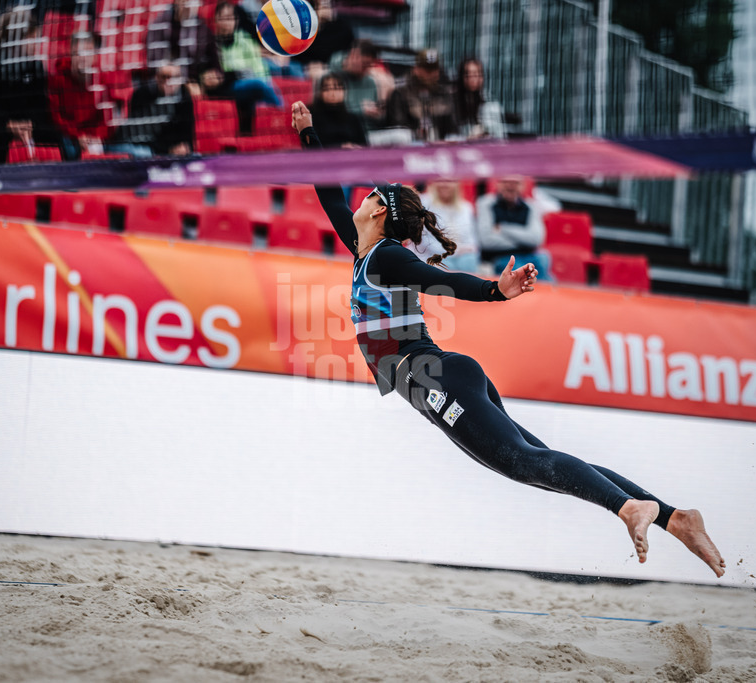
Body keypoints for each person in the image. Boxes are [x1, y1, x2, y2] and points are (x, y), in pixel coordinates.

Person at [289, 100, 726, 578]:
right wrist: (309, 135)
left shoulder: (388, 257)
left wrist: (495, 291)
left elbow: (445, 282)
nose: (357, 201)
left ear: (377, 211)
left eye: (368, 195)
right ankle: (673, 517)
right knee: (535, 463)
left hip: (434, 377)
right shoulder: (366, 251)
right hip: (443, 375)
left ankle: (628, 509)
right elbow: (329, 194)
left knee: (524, 463)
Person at [0, 8, 63, 164]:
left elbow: (42, 108)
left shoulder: (36, 68)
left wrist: (30, 124)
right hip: (0, 138)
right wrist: (8, 125)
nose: (35, 44)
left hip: (32, 132)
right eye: (31, 38)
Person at [203, 1, 283, 134]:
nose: (227, 22)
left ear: (236, 20)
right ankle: (283, 115)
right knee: (260, 86)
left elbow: (259, 67)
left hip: (249, 83)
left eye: (230, 18)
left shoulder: (245, 40)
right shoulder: (212, 44)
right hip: (228, 86)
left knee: (264, 86)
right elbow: (219, 73)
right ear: (216, 20)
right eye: (223, 18)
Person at [106, 62, 195, 159]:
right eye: (165, 77)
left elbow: (187, 131)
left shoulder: (185, 98)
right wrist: (168, 149)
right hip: (137, 145)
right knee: (141, 153)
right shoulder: (142, 94)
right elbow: (142, 133)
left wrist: (184, 146)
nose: (169, 82)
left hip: (165, 149)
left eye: (175, 77)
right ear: (157, 77)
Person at [475, 175, 553, 282]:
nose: (510, 187)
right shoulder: (486, 204)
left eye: (515, 183)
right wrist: (523, 242)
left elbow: (536, 239)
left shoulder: (530, 206)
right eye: (506, 182)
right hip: (500, 257)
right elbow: (486, 241)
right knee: (522, 272)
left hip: (528, 255)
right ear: (498, 184)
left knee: (544, 260)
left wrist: (503, 229)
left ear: (522, 186)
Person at [47, 32, 111, 160]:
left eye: (87, 53)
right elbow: (57, 117)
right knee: (69, 150)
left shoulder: (102, 78)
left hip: (96, 139)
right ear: (71, 54)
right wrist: (78, 136)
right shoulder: (58, 78)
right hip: (69, 137)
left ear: (94, 55)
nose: (83, 58)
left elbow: (106, 117)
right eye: (78, 53)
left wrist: (96, 137)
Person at [146, 0, 220, 96]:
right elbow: (154, 63)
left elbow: (216, 66)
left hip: (195, 84)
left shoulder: (202, 30)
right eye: (185, 1)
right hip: (165, 82)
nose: (189, 6)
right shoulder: (160, 25)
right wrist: (184, 80)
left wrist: (213, 76)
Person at [384, 48, 457, 143]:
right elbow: (399, 129)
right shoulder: (400, 93)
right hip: (411, 149)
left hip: (441, 149)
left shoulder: (444, 94)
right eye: (428, 70)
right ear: (416, 69)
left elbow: (453, 129)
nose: (432, 74)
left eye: (435, 69)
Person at [411, 180, 480, 272]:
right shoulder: (423, 203)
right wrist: (455, 251)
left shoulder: (466, 207)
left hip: (462, 256)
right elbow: (423, 240)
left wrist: (467, 250)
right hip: (431, 255)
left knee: (469, 260)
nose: (444, 185)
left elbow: (472, 240)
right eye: (440, 180)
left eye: (449, 181)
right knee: (444, 265)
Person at [330, 40, 383, 130]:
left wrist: (378, 114)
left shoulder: (370, 82)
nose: (367, 69)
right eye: (364, 64)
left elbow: (379, 120)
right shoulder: (331, 78)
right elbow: (332, 114)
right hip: (343, 132)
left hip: (369, 132)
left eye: (370, 65)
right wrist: (361, 111)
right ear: (353, 55)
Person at [308, 73, 366, 149]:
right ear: (320, 92)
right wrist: (340, 147)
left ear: (345, 91)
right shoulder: (312, 116)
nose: (332, 93)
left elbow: (364, 145)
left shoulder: (353, 118)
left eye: (337, 88)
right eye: (327, 89)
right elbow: (313, 146)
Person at [454, 57, 506, 140]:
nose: (473, 79)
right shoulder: (454, 102)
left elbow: (499, 135)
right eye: (469, 75)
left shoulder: (490, 103)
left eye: (477, 74)